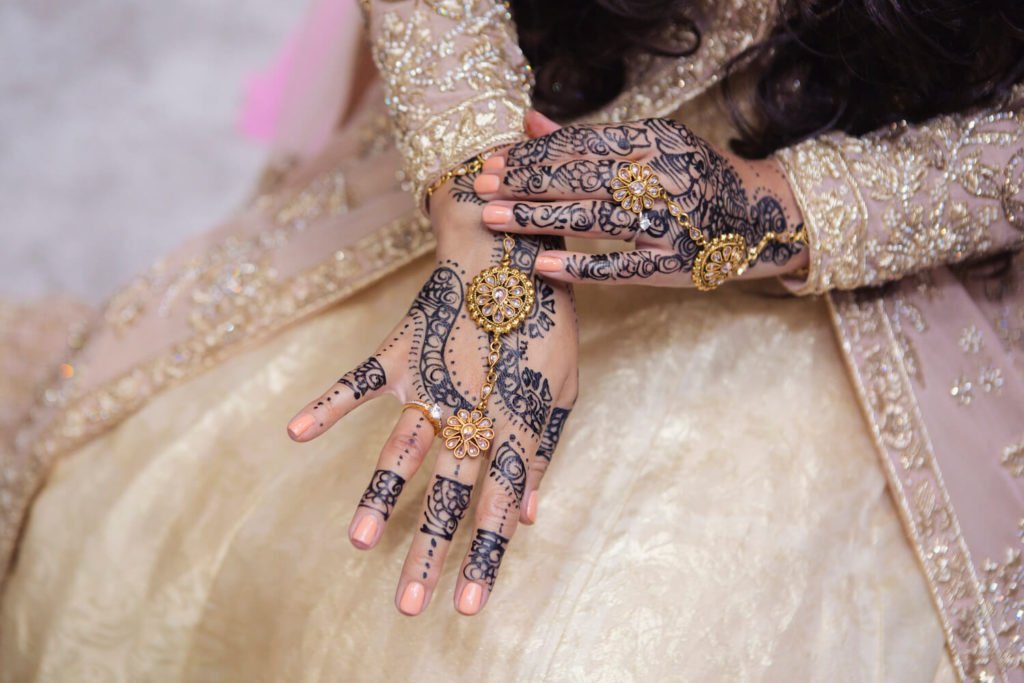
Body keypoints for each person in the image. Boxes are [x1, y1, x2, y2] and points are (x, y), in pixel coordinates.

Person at [1, 0, 1021, 680]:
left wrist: (775, 210)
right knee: (157, 501)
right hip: (538, 100)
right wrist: (483, 227)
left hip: (891, 203)